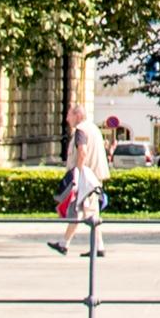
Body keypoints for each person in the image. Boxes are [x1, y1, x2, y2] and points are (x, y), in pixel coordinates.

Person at [51, 103, 109, 254]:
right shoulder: (94, 128)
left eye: (69, 115)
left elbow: (82, 152)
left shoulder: (81, 130)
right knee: (90, 212)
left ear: (77, 115)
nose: (67, 118)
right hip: (93, 177)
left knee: (82, 211)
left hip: (87, 178)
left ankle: (65, 244)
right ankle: (98, 246)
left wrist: (77, 173)